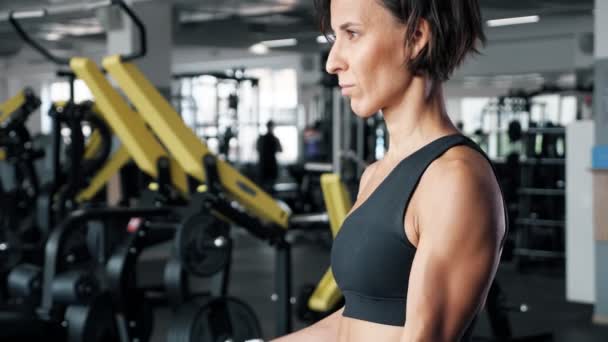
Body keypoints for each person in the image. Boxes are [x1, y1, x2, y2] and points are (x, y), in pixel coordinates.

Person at [273, 0, 506, 341]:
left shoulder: (453, 177)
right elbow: (355, 320)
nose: (332, 62)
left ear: (416, 37)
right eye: (334, 38)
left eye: (352, 33)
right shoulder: (376, 174)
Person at [257, 120, 283, 193]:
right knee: (269, 189)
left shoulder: (262, 138)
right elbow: (280, 150)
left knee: (265, 189)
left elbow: (258, 149)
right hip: (270, 166)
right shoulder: (274, 139)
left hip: (264, 166)